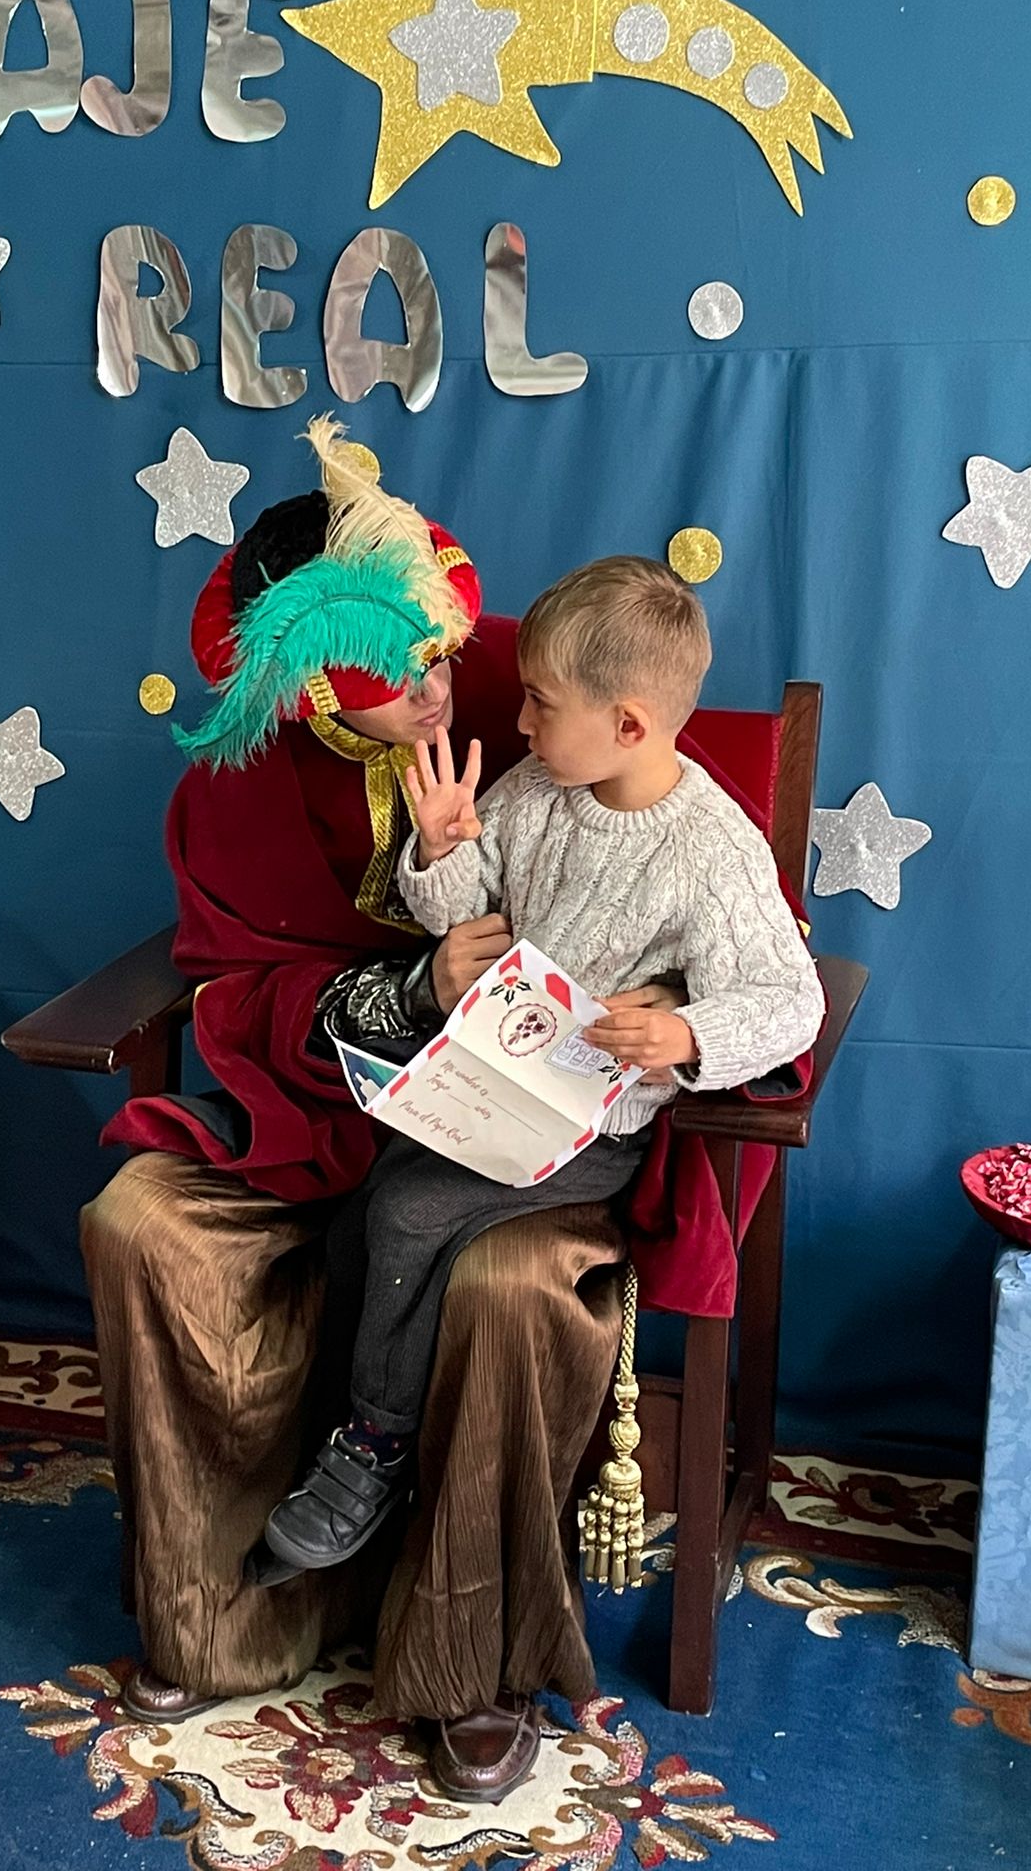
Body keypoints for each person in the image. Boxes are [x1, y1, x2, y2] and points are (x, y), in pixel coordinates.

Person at [80, 421, 813, 1801]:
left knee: (488, 1276)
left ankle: (467, 1652)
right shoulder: (262, 784)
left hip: (551, 1114)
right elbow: (243, 972)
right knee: (148, 1226)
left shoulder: (545, 704)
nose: (451, 695)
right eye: (403, 680)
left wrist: (684, 1025)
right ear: (311, 686)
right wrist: (420, 958)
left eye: (448, 664)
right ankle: (228, 1613)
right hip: (325, 1099)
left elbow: (765, 973)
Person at [261, 557, 825, 1581]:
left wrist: (687, 1035)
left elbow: (791, 1000)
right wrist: (442, 854)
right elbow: (462, 910)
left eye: (539, 703)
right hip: (485, 1080)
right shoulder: (535, 790)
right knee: (360, 1216)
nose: (517, 721)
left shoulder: (712, 849)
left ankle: (375, 1447)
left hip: (590, 1126)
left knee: (409, 1212)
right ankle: (348, 1433)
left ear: (629, 724)